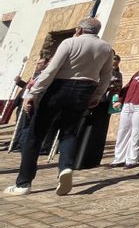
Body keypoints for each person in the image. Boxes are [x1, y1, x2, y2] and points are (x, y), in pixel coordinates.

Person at [4, 17, 114, 196]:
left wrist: (33, 93)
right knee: (69, 132)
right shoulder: (106, 48)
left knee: (35, 135)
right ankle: (65, 167)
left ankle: (24, 183)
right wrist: (97, 95)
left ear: (80, 28)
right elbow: (106, 75)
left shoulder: (69, 42)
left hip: (60, 87)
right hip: (85, 90)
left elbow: (51, 69)